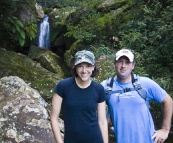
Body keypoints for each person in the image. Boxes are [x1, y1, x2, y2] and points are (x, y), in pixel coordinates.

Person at [101, 49, 173, 143]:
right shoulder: (105, 86)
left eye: (127, 62)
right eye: (120, 62)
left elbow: (168, 101)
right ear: (114, 63)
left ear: (133, 65)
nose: (123, 66)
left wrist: (165, 129)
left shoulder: (145, 83)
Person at [50, 50, 108, 143]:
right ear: (75, 67)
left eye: (88, 66)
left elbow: (102, 121)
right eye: (80, 66)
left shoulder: (98, 89)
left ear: (93, 67)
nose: (84, 71)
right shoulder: (63, 86)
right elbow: (53, 118)